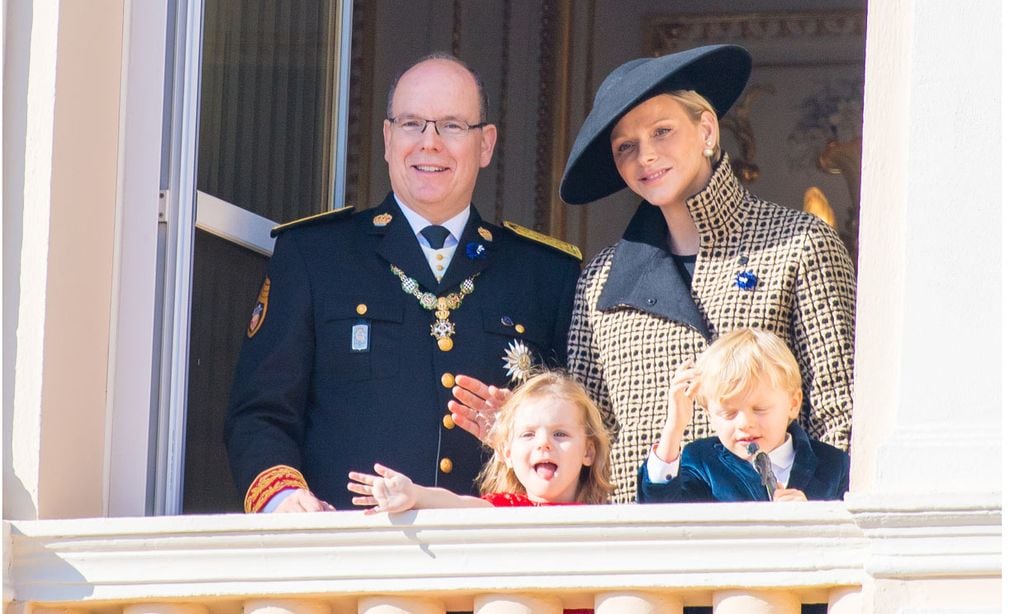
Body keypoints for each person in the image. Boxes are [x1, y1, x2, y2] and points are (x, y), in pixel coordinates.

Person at [451, 44, 856, 503]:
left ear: (706, 129)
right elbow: (589, 433)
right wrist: (534, 425)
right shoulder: (600, 279)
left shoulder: (801, 244)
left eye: (662, 131)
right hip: (633, 549)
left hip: (763, 547)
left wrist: (817, 521)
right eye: (626, 146)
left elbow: (838, 415)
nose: (646, 156)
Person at [224, 53, 582, 513]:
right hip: (350, 554)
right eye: (412, 124)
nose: (429, 143)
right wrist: (285, 500)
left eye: (452, 126)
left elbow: (589, 431)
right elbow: (260, 414)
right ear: (388, 138)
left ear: (486, 144)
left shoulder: (544, 274)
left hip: (496, 559)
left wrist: (529, 426)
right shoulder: (316, 256)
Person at [347, 371, 614, 511]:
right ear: (506, 452)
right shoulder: (504, 509)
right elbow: (457, 504)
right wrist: (414, 494)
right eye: (528, 434)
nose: (543, 444)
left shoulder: (604, 516)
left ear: (588, 452)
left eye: (560, 434)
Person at [637, 328, 849, 503]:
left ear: (793, 403)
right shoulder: (701, 462)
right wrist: (673, 429)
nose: (745, 423)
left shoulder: (833, 465)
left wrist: (815, 518)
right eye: (728, 413)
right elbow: (661, 511)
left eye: (760, 409)